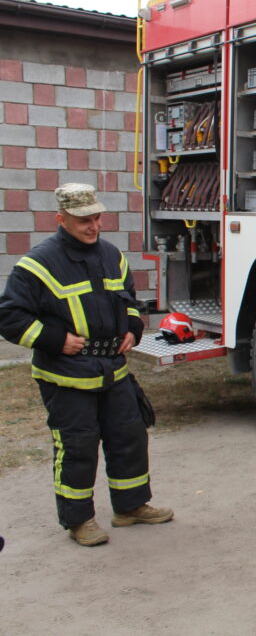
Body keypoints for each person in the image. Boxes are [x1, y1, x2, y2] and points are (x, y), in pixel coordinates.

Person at [0, 183, 173, 547]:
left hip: (113, 369)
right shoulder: (37, 265)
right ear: (61, 219)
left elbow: (129, 300)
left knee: (129, 437)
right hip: (66, 375)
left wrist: (133, 328)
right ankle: (79, 520)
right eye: (83, 220)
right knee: (77, 448)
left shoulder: (112, 256)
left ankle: (130, 507)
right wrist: (55, 339)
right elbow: (10, 317)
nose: (93, 226)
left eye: (96, 218)